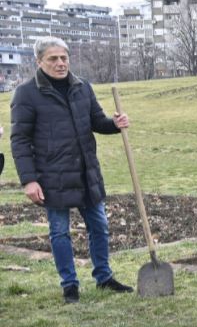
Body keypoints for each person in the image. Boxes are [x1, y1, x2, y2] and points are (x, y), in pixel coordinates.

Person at [9, 36, 134, 304]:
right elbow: (19, 140)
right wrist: (29, 180)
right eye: (53, 58)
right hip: (52, 175)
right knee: (59, 232)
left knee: (99, 226)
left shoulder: (81, 87)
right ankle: (70, 285)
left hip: (86, 171)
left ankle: (104, 276)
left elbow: (96, 121)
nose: (60, 63)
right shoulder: (27, 93)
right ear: (39, 61)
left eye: (64, 57)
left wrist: (114, 123)